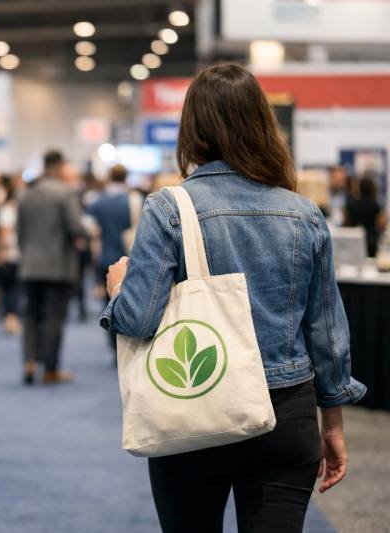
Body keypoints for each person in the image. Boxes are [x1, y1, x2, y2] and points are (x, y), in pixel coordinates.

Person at [102, 64, 365, 533]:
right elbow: (326, 330)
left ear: (192, 129)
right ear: (263, 124)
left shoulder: (169, 208)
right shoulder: (304, 214)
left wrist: (118, 287)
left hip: (195, 406)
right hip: (289, 415)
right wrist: (335, 424)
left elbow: (139, 320)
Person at [18, 150, 87, 385]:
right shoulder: (65, 192)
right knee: (52, 318)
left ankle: (28, 362)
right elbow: (76, 227)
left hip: (29, 265)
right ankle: (50, 369)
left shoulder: (26, 193)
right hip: (58, 266)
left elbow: (20, 231)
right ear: (59, 166)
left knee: (30, 316)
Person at [86, 164, 135, 353]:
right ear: (126, 177)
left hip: (106, 256)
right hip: (130, 256)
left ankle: (112, 342)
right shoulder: (134, 200)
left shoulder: (98, 201)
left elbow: (89, 227)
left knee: (108, 301)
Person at [0, 174, 23, 335]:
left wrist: (0, 251)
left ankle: (10, 318)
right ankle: (10, 318)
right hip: (15, 252)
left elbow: (3, 232)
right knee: (12, 287)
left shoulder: (6, 209)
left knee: (9, 288)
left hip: (10, 252)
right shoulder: (15, 207)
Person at [345, 176, 387, 257]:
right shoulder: (375, 205)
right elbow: (382, 225)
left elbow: (347, 224)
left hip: (353, 243)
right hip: (371, 243)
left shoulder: (351, 205)